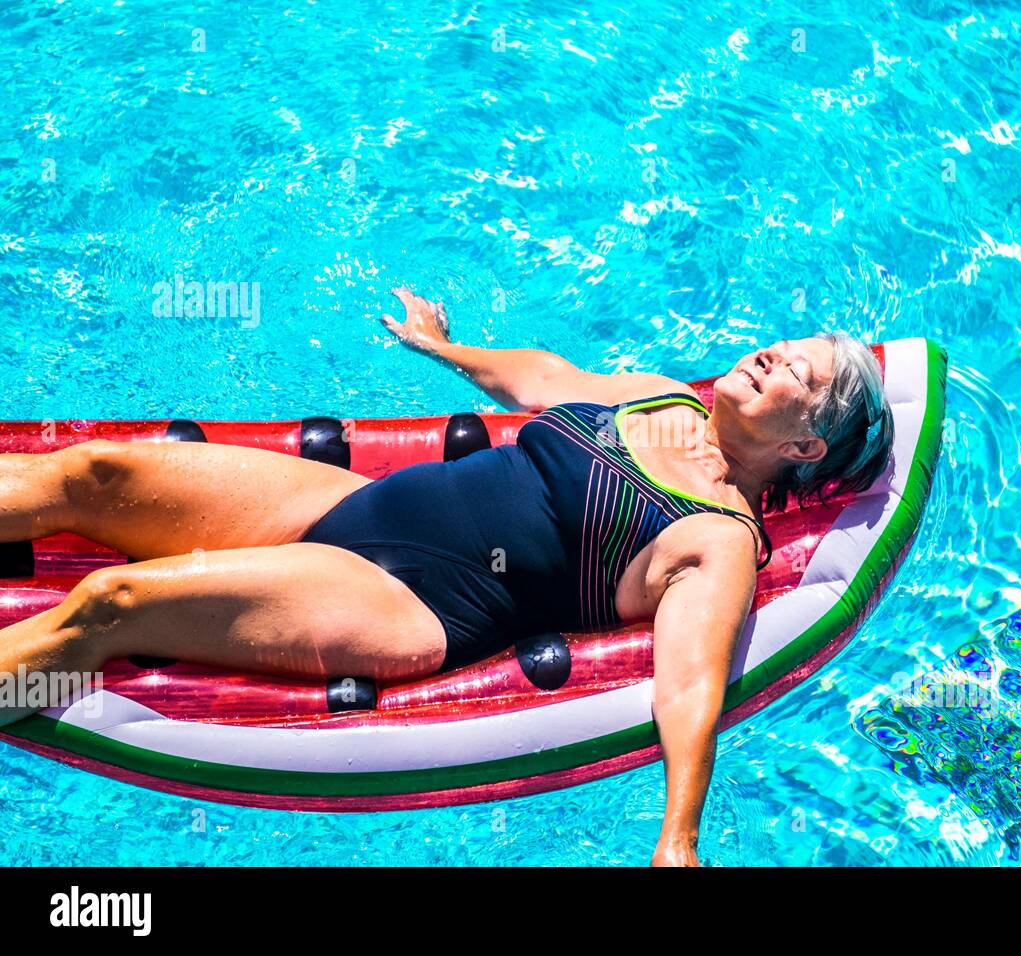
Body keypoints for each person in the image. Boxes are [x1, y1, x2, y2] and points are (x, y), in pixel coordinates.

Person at [0, 289, 894, 866]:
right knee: (92, 475)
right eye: (786, 343)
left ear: (802, 445)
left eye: (799, 371)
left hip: (409, 602)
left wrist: (678, 839)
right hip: (358, 504)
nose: (774, 352)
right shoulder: (660, 395)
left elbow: (691, 682)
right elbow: (547, 379)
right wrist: (449, 350)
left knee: (109, 605)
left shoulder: (719, 537)